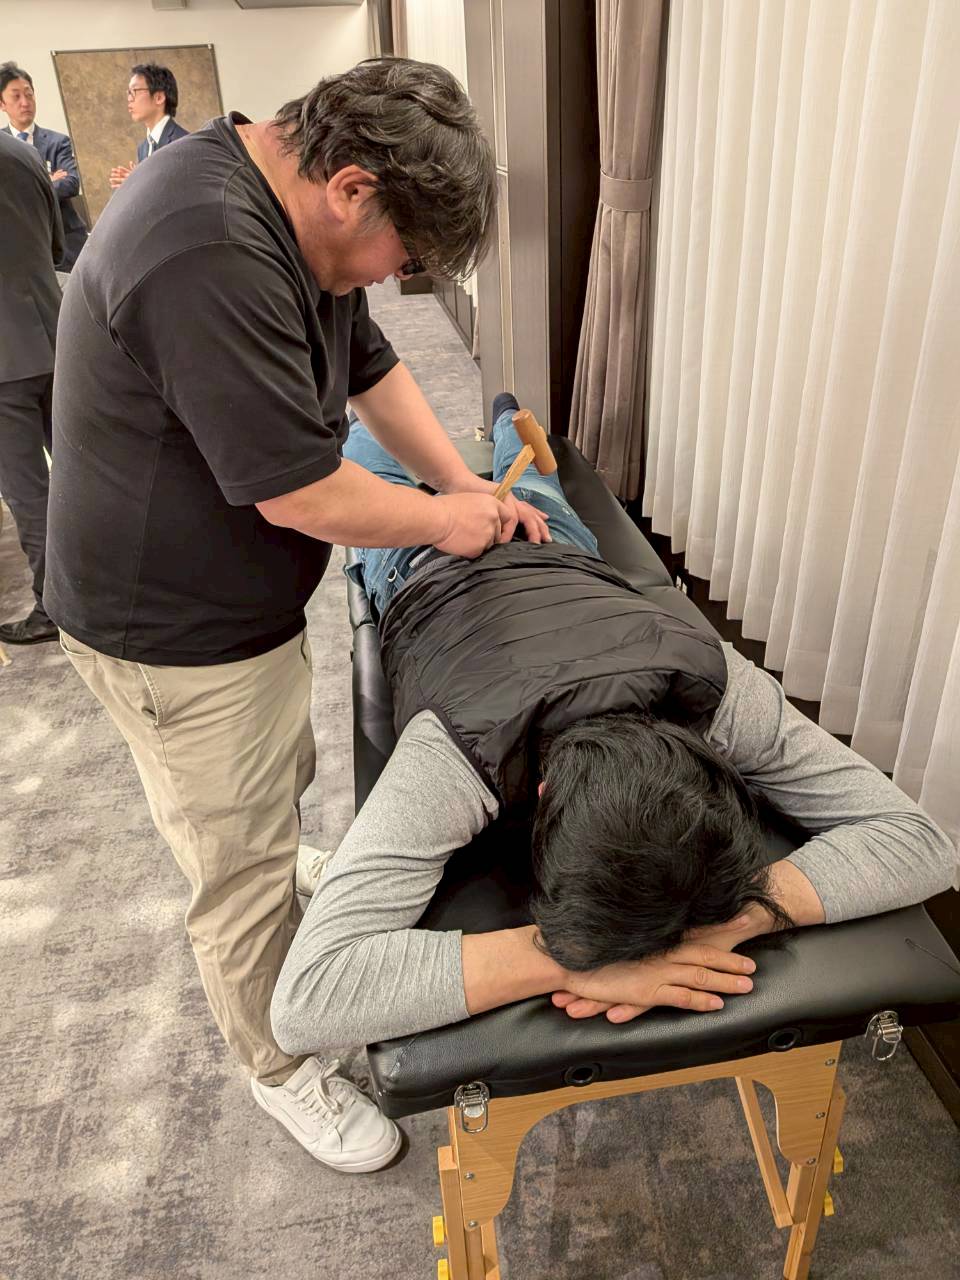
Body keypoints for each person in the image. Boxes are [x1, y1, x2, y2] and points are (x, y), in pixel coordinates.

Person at [44, 58, 547, 1174]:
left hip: (237, 603)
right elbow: (302, 492)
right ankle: (280, 1065)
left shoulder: (292, 203)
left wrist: (459, 481)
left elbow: (374, 370)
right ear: (353, 187)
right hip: (166, 628)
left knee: (269, 780)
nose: (392, 278)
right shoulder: (205, 251)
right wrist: (443, 521)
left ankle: (277, 850)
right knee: (232, 864)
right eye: (400, 257)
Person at [270, 396, 958, 1059]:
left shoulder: (715, 690)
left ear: (713, 758)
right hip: (426, 568)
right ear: (544, 797)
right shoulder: (455, 754)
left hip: (555, 547)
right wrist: (565, 962)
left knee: (531, 487)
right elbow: (307, 1000)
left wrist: (738, 918)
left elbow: (923, 842)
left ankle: (508, 418)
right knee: (369, 460)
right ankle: (445, 425)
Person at [0, 130, 63, 645]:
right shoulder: (22, 152)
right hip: (56, 337)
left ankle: (55, 606)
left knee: (28, 493)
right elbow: (58, 245)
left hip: (3, 365)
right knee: (90, 473)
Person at [0, 61, 88, 270]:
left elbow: (70, 184)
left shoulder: (57, 142)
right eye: (16, 96)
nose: (25, 102)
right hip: (21, 249)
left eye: (29, 94)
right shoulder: (3, 147)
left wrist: (22, 190)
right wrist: (47, 180)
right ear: (2, 104)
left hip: (66, 244)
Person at [108, 63, 189, 189]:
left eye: (134, 91)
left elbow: (183, 191)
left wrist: (139, 183)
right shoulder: (143, 147)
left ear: (159, 97)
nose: (129, 98)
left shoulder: (183, 142)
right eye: (128, 92)